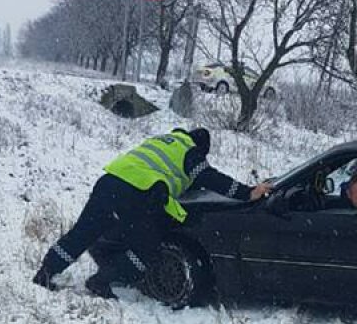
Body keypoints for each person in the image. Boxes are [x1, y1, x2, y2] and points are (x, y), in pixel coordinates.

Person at [33, 126, 272, 297]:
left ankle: (44, 274)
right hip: (136, 194)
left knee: (83, 233)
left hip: (109, 182)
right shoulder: (191, 151)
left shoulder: (163, 141)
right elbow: (208, 177)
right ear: (201, 148)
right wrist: (247, 192)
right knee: (145, 250)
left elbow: (175, 173)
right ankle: (101, 281)